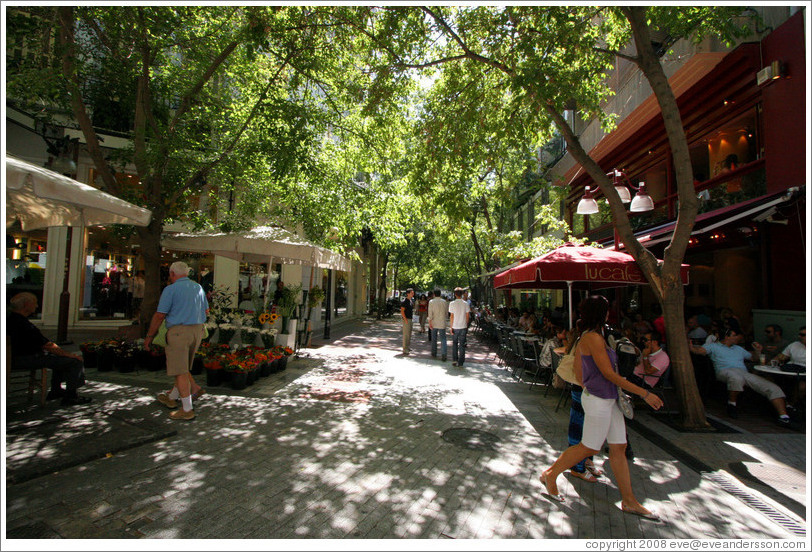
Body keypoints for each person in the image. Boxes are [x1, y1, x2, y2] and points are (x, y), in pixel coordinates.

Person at [540, 295, 663, 520]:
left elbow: (579, 371)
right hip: (599, 399)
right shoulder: (593, 338)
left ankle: (629, 500)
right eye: (607, 310)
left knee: (619, 447)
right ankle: (550, 473)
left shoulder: (594, 336)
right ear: (602, 313)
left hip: (607, 398)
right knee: (589, 447)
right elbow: (608, 373)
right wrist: (644, 393)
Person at [144, 261, 209, 421]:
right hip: (197, 330)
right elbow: (206, 310)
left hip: (179, 332)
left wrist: (149, 336)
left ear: (172, 274)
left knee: (180, 370)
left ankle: (187, 409)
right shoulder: (198, 287)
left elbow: (160, 315)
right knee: (183, 367)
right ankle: (172, 397)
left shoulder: (170, 289)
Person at [688, 328, 790, 425]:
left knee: (771, 387)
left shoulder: (738, 348)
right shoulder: (713, 346)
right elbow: (699, 351)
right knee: (736, 378)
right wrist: (691, 347)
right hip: (724, 371)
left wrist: (758, 351)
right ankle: (732, 404)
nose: (737, 338)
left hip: (743, 372)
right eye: (734, 335)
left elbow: (753, 358)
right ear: (727, 337)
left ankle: (784, 416)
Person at [7, 292, 92, 406]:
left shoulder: (10, 319)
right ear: (26, 305)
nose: (37, 306)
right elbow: (47, 345)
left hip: (14, 358)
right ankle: (71, 396)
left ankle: (56, 390)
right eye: (35, 303)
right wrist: (69, 354)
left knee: (59, 357)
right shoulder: (23, 325)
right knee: (74, 361)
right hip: (25, 358)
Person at [448, 287, 471, 368]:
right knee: (462, 345)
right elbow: (467, 315)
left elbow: (451, 316)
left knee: (454, 344)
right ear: (462, 294)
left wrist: (451, 327)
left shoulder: (452, 304)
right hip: (463, 326)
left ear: (455, 294)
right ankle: (461, 362)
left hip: (455, 326)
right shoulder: (466, 303)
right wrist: (466, 324)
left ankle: (454, 359)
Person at [427, 288, 449, 361]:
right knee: (443, 339)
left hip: (434, 322)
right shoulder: (444, 302)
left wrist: (430, 322)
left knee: (434, 338)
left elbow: (430, 313)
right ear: (440, 294)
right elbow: (446, 313)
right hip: (442, 322)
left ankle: (434, 352)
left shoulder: (431, 302)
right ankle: (444, 354)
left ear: (434, 294)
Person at [400, 288, 415, 356]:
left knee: (409, 334)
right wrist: (405, 319)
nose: (413, 294)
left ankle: (407, 347)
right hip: (407, 319)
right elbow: (402, 311)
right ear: (408, 293)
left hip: (410, 319)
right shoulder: (404, 301)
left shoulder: (411, 301)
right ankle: (405, 349)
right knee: (406, 334)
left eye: (413, 293)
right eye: (411, 293)